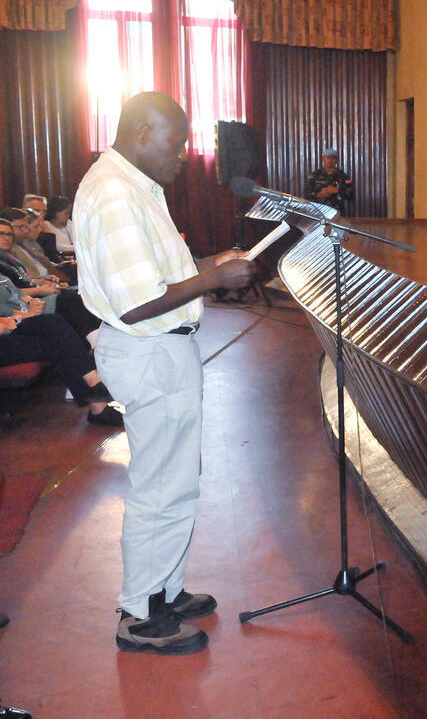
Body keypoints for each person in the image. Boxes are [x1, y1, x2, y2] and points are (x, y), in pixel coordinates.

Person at [74, 91, 255, 655]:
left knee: (177, 479)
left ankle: (165, 590)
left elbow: (161, 273)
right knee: (159, 486)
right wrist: (215, 280)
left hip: (163, 352)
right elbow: (136, 303)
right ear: (142, 133)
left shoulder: (138, 186)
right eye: (176, 143)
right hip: (148, 350)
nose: (183, 154)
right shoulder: (114, 194)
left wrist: (210, 264)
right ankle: (140, 614)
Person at [0, 274, 121, 426]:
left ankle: (95, 388)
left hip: (9, 322)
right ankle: (97, 395)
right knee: (57, 338)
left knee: (54, 325)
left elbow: (13, 293)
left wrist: (28, 305)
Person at [303, 147, 354, 214]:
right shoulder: (315, 175)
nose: (330, 160)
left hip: (337, 212)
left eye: (333, 158)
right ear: (323, 158)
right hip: (319, 212)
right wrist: (320, 194)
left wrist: (337, 190)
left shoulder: (343, 176)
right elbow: (306, 194)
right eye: (328, 157)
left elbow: (351, 194)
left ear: (337, 160)